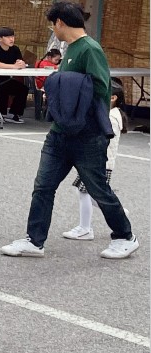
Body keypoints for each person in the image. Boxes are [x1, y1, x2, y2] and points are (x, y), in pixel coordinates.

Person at [1, 1, 138, 259]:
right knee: (43, 186)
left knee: (98, 189)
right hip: (60, 132)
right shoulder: (73, 48)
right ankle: (34, 241)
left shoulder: (89, 49)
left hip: (87, 135)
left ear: (60, 23)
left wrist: (60, 84)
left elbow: (100, 88)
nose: (54, 29)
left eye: (53, 25)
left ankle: (125, 236)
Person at [63, 81, 126, 242]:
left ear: (113, 98)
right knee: (85, 191)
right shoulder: (111, 113)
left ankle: (85, 228)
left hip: (99, 161)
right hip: (98, 160)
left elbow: (103, 139)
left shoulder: (111, 117)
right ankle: (118, 211)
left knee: (85, 192)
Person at [0, 26, 29, 124]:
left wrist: (21, 64)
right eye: (8, 37)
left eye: (13, 37)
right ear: (0, 38)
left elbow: (20, 62)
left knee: (23, 89)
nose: (11, 39)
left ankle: (14, 114)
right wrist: (13, 66)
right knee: (1, 87)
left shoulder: (15, 49)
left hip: (6, 78)